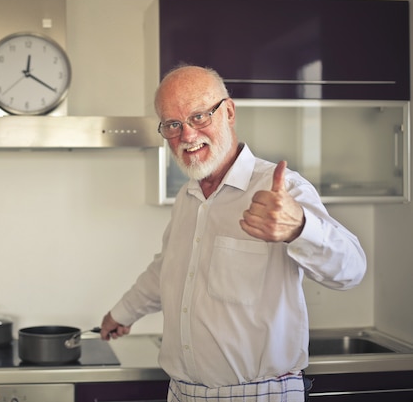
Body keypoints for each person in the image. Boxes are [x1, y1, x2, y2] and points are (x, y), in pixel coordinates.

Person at [99, 65, 367, 402]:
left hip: (258, 395)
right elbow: (167, 269)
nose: (187, 136)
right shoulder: (188, 197)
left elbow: (353, 270)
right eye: (173, 125)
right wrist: (121, 313)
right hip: (182, 393)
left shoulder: (279, 189)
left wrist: (300, 228)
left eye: (199, 117)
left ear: (228, 112)